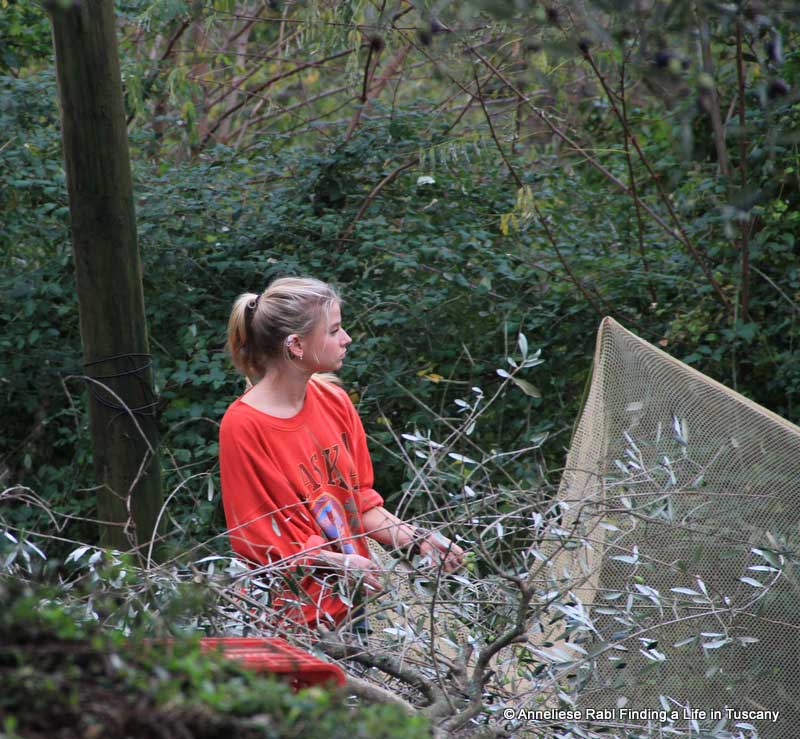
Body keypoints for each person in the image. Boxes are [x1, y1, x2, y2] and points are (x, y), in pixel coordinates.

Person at [219, 276, 464, 628]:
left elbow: (359, 502)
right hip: (292, 618)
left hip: (351, 607)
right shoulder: (244, 426)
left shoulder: (333, 401)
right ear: (297, 345)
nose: (346, 338)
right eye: (334, 331)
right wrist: (340, 563)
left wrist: (419, 540)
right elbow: (261, 543)